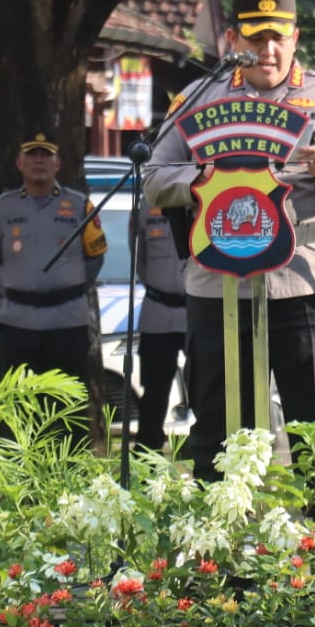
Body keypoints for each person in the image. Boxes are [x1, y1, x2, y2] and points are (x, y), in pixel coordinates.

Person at [143, 0, 315, 480]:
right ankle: (224, 530)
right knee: (219, 435)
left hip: (309, 283)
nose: (267, 50)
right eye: (255, 39)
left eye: (278, 38)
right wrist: (203, 180)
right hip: (220, 284)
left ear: (295, 39)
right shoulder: (197, 98)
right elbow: (154, 178)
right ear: (233, 39)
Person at [0, 134, 107, 395]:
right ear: (19, 163)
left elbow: (95, 256)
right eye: (31, 154)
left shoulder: (80, 206)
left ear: (57, 164)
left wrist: (69, 287)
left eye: (46, 155)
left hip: (67, 323)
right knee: (18, 403)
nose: (38, 161)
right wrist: (16, 288)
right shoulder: (2, 208)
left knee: (67, 404)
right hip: (17, 323)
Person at [134, 192, 187, 450]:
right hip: (157, 309)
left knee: (205, 385)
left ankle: (205, 450)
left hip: (196, 310)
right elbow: (139, 257)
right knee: (154, 390)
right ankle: (147, 453)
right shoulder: (146, 204)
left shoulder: (204, 196)